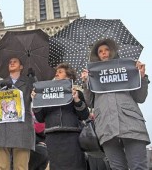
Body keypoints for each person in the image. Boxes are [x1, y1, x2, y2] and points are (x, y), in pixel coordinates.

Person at [81, 38, 150, 170]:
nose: (104, 53)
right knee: (117, 167)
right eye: (100, 51)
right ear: (97, 55)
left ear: (112, 51)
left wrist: (141, 77)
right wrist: (86, 83)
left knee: (138, 166)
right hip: (106, 127)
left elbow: (140, 98)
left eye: (106, 49)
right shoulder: (93, 76)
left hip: (131, 123)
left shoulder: (127, 69)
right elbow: (89, 102)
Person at [32, 63, 89, 170]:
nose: (56, 74)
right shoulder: (46, 94)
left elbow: (84, 115)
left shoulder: (77, 93)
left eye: (60, 72)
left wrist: (76, 100)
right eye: (56, 72)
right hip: (53, 136)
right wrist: (36, 101)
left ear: (69, 76)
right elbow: (40, 118)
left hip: (72, 136)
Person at [0, 57, 35, 170]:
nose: (11, 63)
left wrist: (33, 79)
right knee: (1, 167)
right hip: (2, 129)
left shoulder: (30, 82)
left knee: (21, 166)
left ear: (21, 67)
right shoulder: (1, 83)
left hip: (22, 128)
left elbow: (37, 100)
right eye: (10, 62)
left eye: (15, 61)